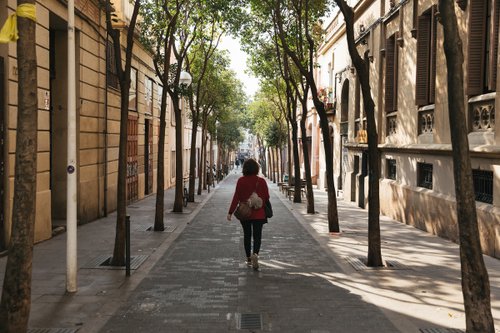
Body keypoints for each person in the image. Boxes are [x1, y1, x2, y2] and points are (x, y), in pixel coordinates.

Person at [227, 158, 269, 270]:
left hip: (245, 213)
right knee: (257, 235)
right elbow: (266, 197)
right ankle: (255, 253)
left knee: (247, 235)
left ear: (244, 169)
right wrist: (258, 202)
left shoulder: (241, 181)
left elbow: (236, 197)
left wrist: (230, 212)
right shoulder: (262, 181)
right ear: (256, 168)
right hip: (259, 213)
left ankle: (248, 258)